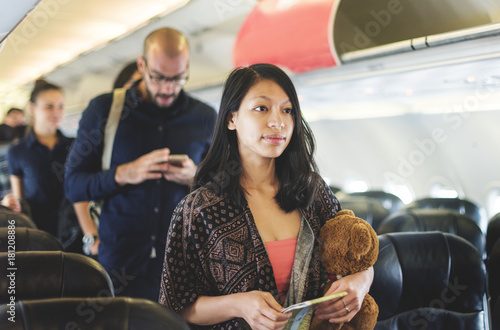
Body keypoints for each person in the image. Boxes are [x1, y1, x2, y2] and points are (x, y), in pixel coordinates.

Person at [159, 63, 374, 329]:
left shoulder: (312, 191)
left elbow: (358, 257)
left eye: (287, 110)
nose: (278, 122)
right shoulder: (199, 209)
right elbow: (176, 306)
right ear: (231, 118)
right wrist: (239, 304)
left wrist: (362, 281)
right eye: (262, 108)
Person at [64, 27, 217, 301]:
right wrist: (123, 174)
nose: (168, 88)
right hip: (117, 263)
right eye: (158, 77)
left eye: (178, 78)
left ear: (187, 68)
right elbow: (73, 185)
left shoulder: (205, 117)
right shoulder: (105, 110)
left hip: (181, 265)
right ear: (141, 65)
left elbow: (224, 191)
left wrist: (195, 178)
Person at [7, 80, 73, 237]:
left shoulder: (75, 146)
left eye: (60, 106)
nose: (56, 112)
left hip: (73, 227)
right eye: (49, 106)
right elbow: (20, 201)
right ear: (32, 108)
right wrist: (9, 204)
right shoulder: (18, 152)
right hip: (38, 231)